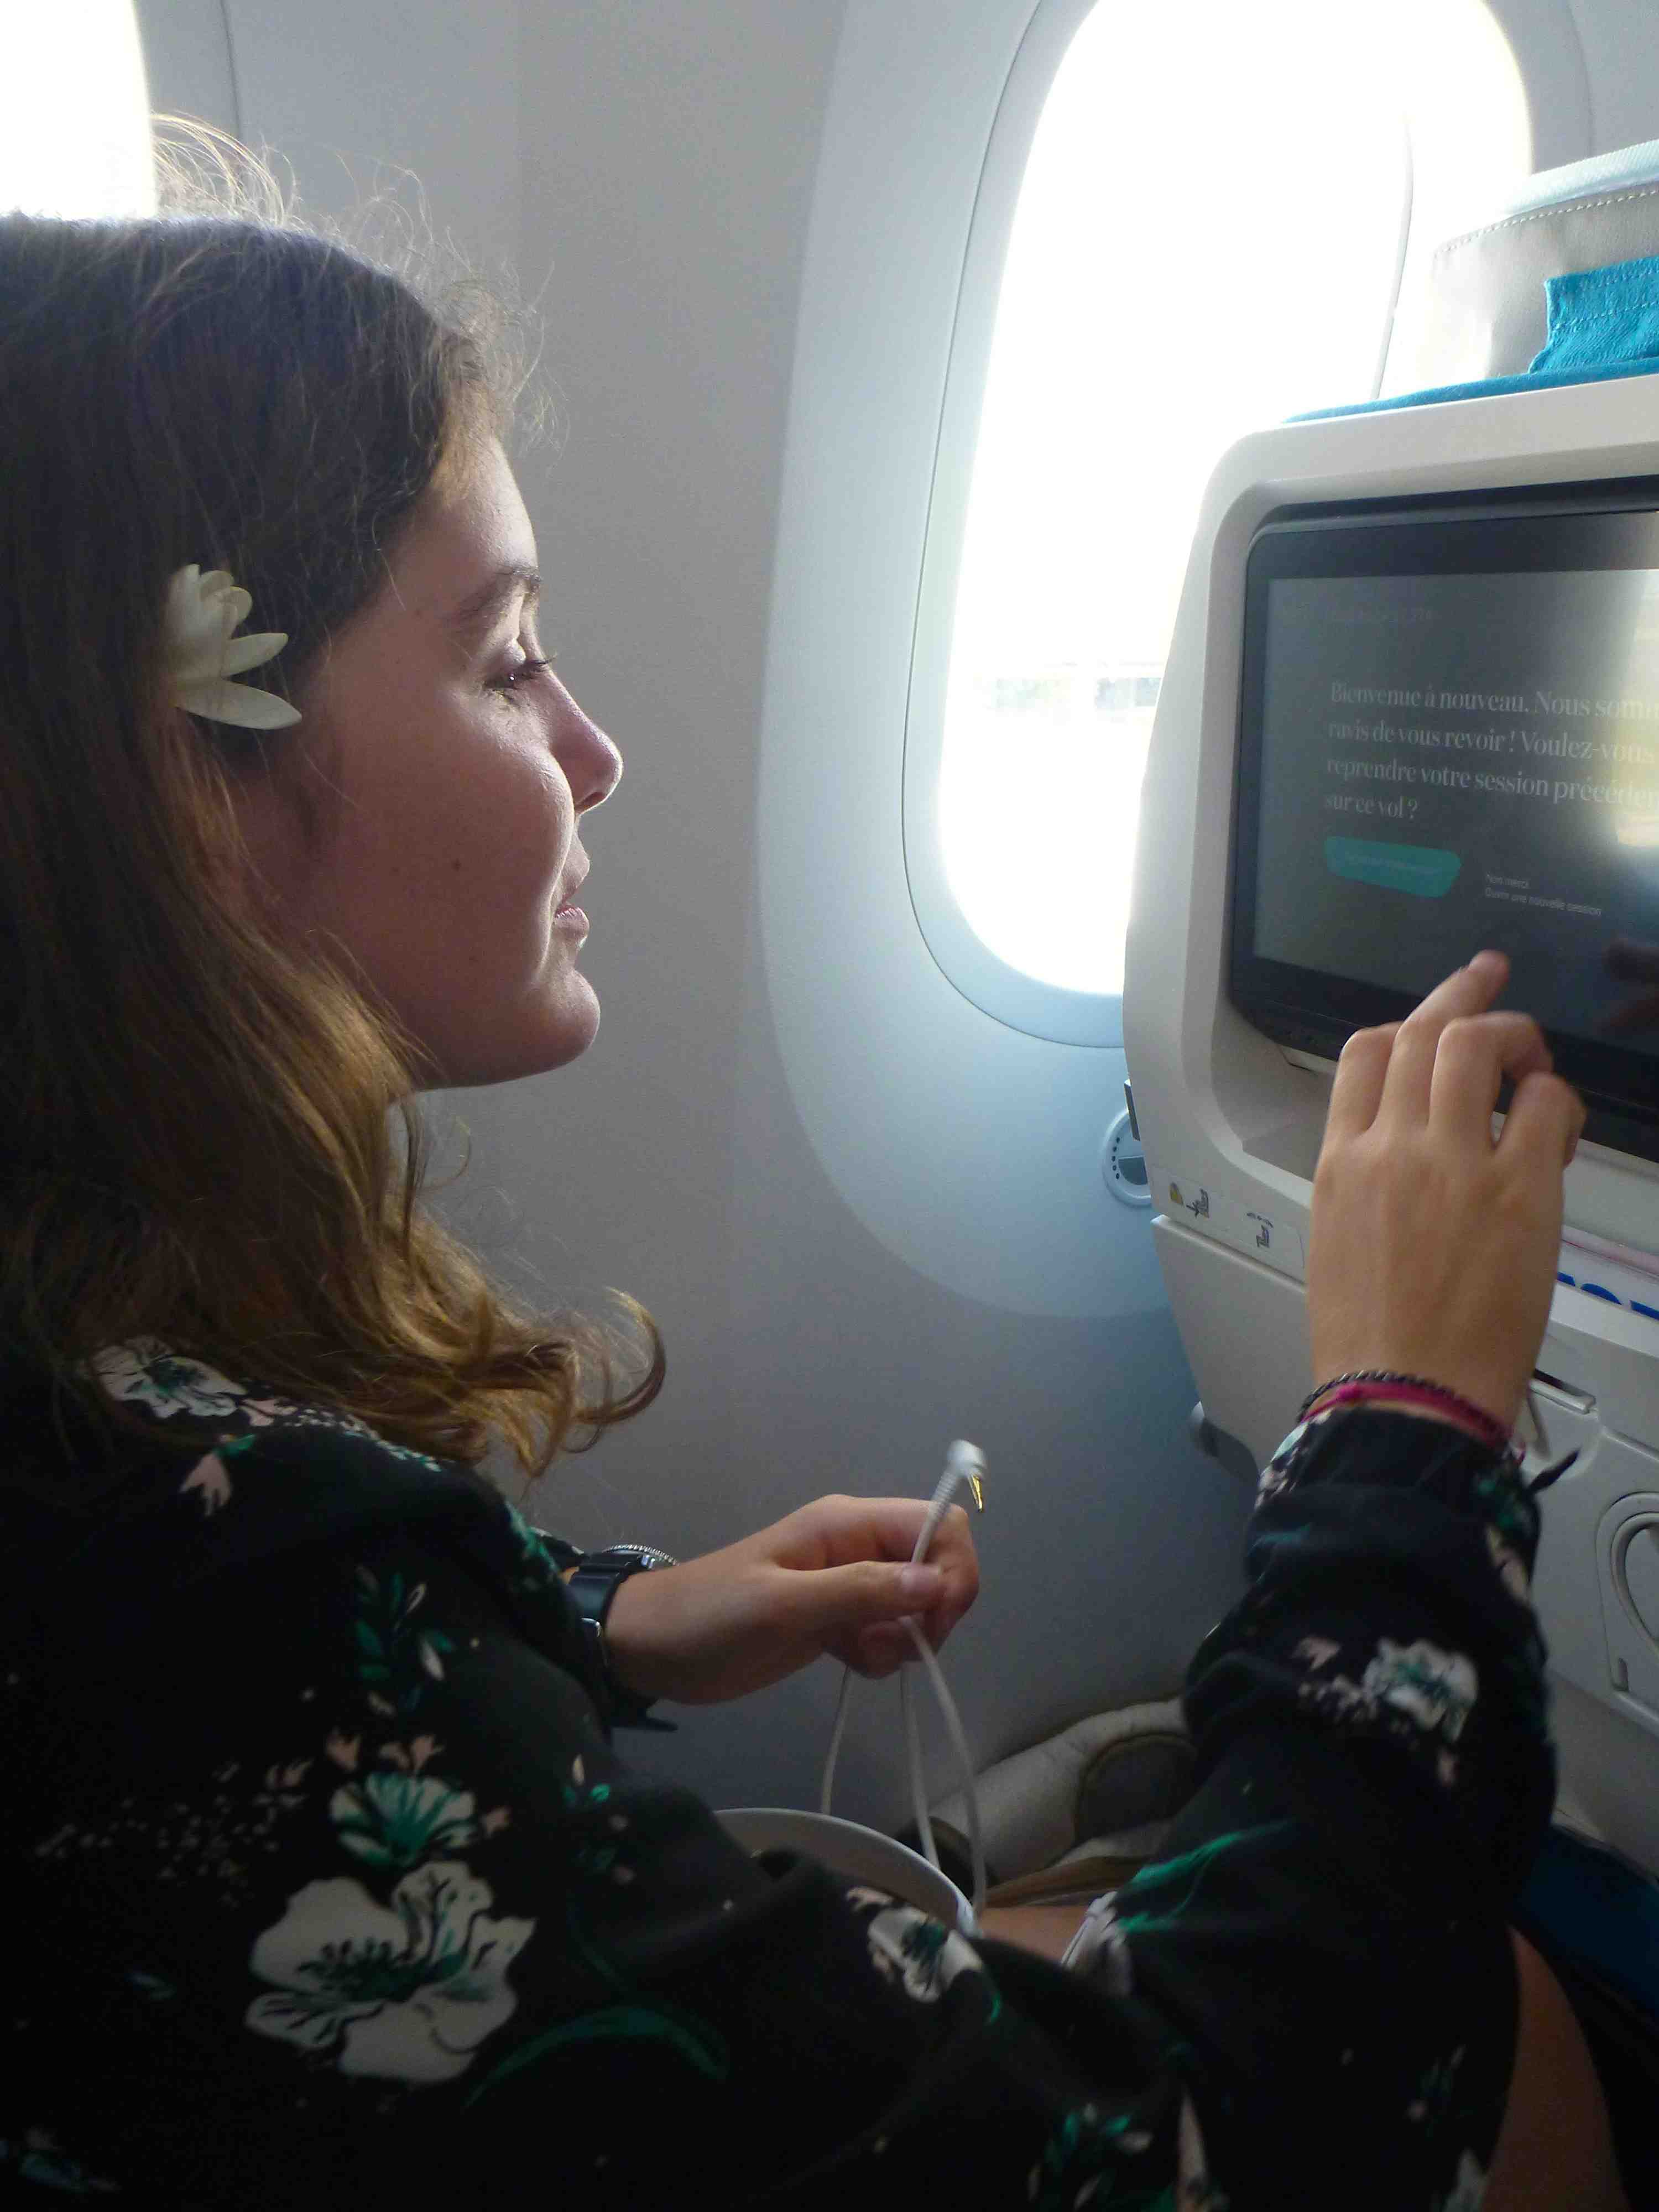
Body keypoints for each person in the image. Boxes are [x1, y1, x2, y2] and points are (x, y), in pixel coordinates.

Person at [0, 141, 1632, 2211]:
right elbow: (1224, 2141)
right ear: (189, 790)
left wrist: (596, 1623)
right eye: (504, 658)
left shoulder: (114, 1428)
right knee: (1500, 2028)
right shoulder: (245, 1617)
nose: (593, 753)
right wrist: (1404, 1431)